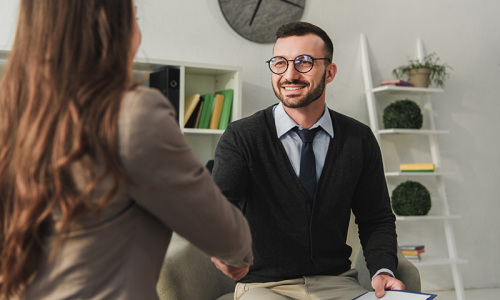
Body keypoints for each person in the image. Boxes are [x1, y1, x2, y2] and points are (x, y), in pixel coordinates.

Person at [0, 1, 252, 299]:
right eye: (133, 16)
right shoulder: (133, 114)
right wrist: (237, 254)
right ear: (110, 26)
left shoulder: (12, 115)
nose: (139, 31)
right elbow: (228, 236)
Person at [211, 22, 404, 300]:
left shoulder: (358, 139)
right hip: (264, 287)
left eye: (304, 62)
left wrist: (383, 269)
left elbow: (376, 218)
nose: (289, 74)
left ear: (330, 72)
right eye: (280, 63)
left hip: (337, 283)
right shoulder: (242, 136)